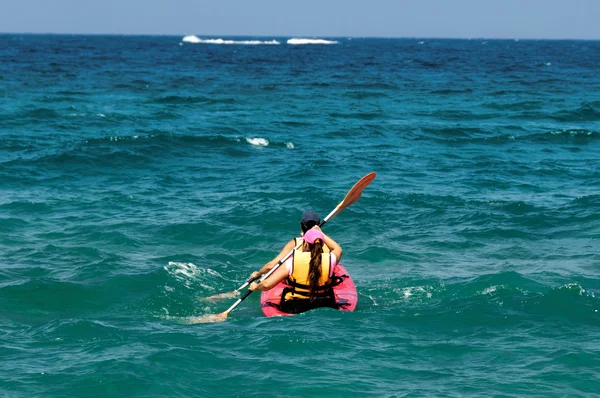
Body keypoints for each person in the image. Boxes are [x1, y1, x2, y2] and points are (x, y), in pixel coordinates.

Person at [248, 225, 343, 314]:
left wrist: (255, 287)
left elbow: (267, 285)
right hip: (324, 303)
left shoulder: (292, 261)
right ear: (322, 244)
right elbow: (338, 248)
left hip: (296, 306)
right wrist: (321, 233)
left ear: (305, 243)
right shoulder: (331, 259)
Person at [248, 210, 328, 281]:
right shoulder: (327, 244)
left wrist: (258, 274)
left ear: (301, 225)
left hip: (298, 284)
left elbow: (271, 266)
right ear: (318, 226)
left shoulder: (296, 243)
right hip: (322, 283)